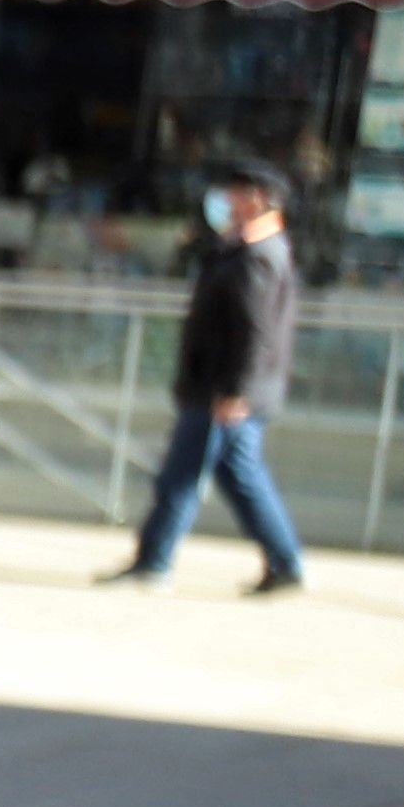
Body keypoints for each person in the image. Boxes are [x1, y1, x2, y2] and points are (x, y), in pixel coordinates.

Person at [106, 164, 309, 595]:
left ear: (257, 198)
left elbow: (256, 333)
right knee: (239, 478)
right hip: (218, 386)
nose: (226, 203)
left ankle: (154, 562)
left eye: (235, 194)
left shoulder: (260, 255)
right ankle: (286, 562)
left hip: (224, 390)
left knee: (182, 475)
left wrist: (237, 392)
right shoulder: (242, 249)